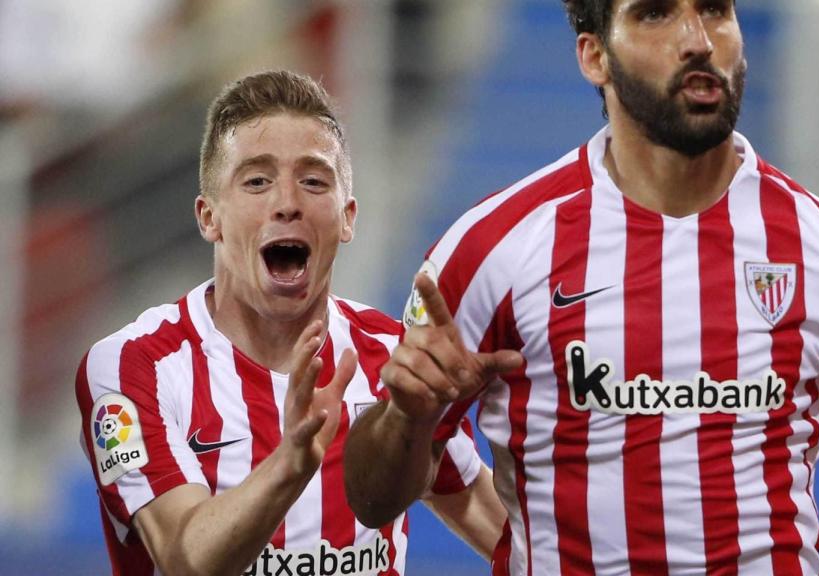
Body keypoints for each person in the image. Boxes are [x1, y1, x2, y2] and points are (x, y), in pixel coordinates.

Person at [343, 1, 819, 575]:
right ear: (594, 56)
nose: (698, 40)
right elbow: (370, 501)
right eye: (654, 12)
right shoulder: (493, 251)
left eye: (715, 9)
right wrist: (407, 418)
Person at [74, 70, 505, 576]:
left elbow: (507, 535)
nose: (287, 204)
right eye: (257, 181)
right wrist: (291, 463)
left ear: (347, 217)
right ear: (209, 217)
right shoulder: (134, 367)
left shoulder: (392, 358)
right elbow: (184, 561)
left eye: (313, 181)